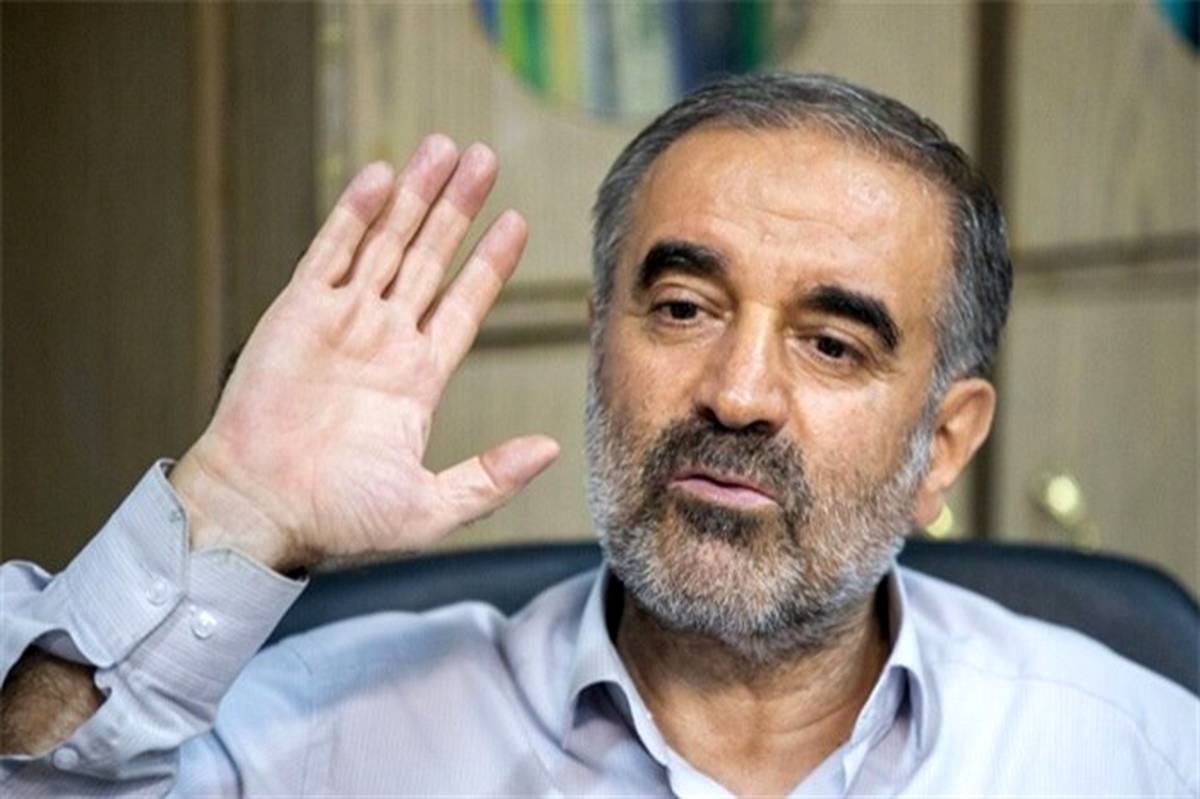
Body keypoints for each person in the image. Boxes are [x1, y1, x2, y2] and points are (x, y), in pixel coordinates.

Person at [0, 73, 1195, 797]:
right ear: (598, 342)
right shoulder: (322, 731)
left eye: (833, 343)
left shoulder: (1139, 752)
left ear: (945, 444)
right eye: (682, 308)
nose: (737, 393)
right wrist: (232, 510)